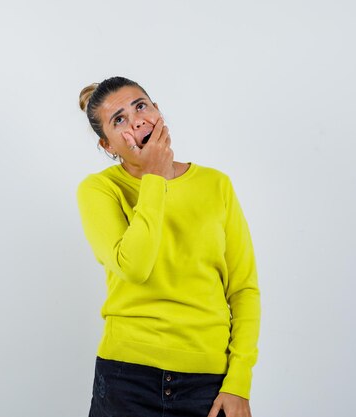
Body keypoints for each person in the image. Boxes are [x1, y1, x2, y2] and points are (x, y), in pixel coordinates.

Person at [76, 76, 260, 417]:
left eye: (140, 106)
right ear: (108, 146)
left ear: (158, 111)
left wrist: (239, 381)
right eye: (119, 120)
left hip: (208, 382)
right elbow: (134, 265)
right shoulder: (99, 190)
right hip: (126, 378)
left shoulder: (215, 184)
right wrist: (154, 177)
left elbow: (243, 289)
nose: (136, 121)